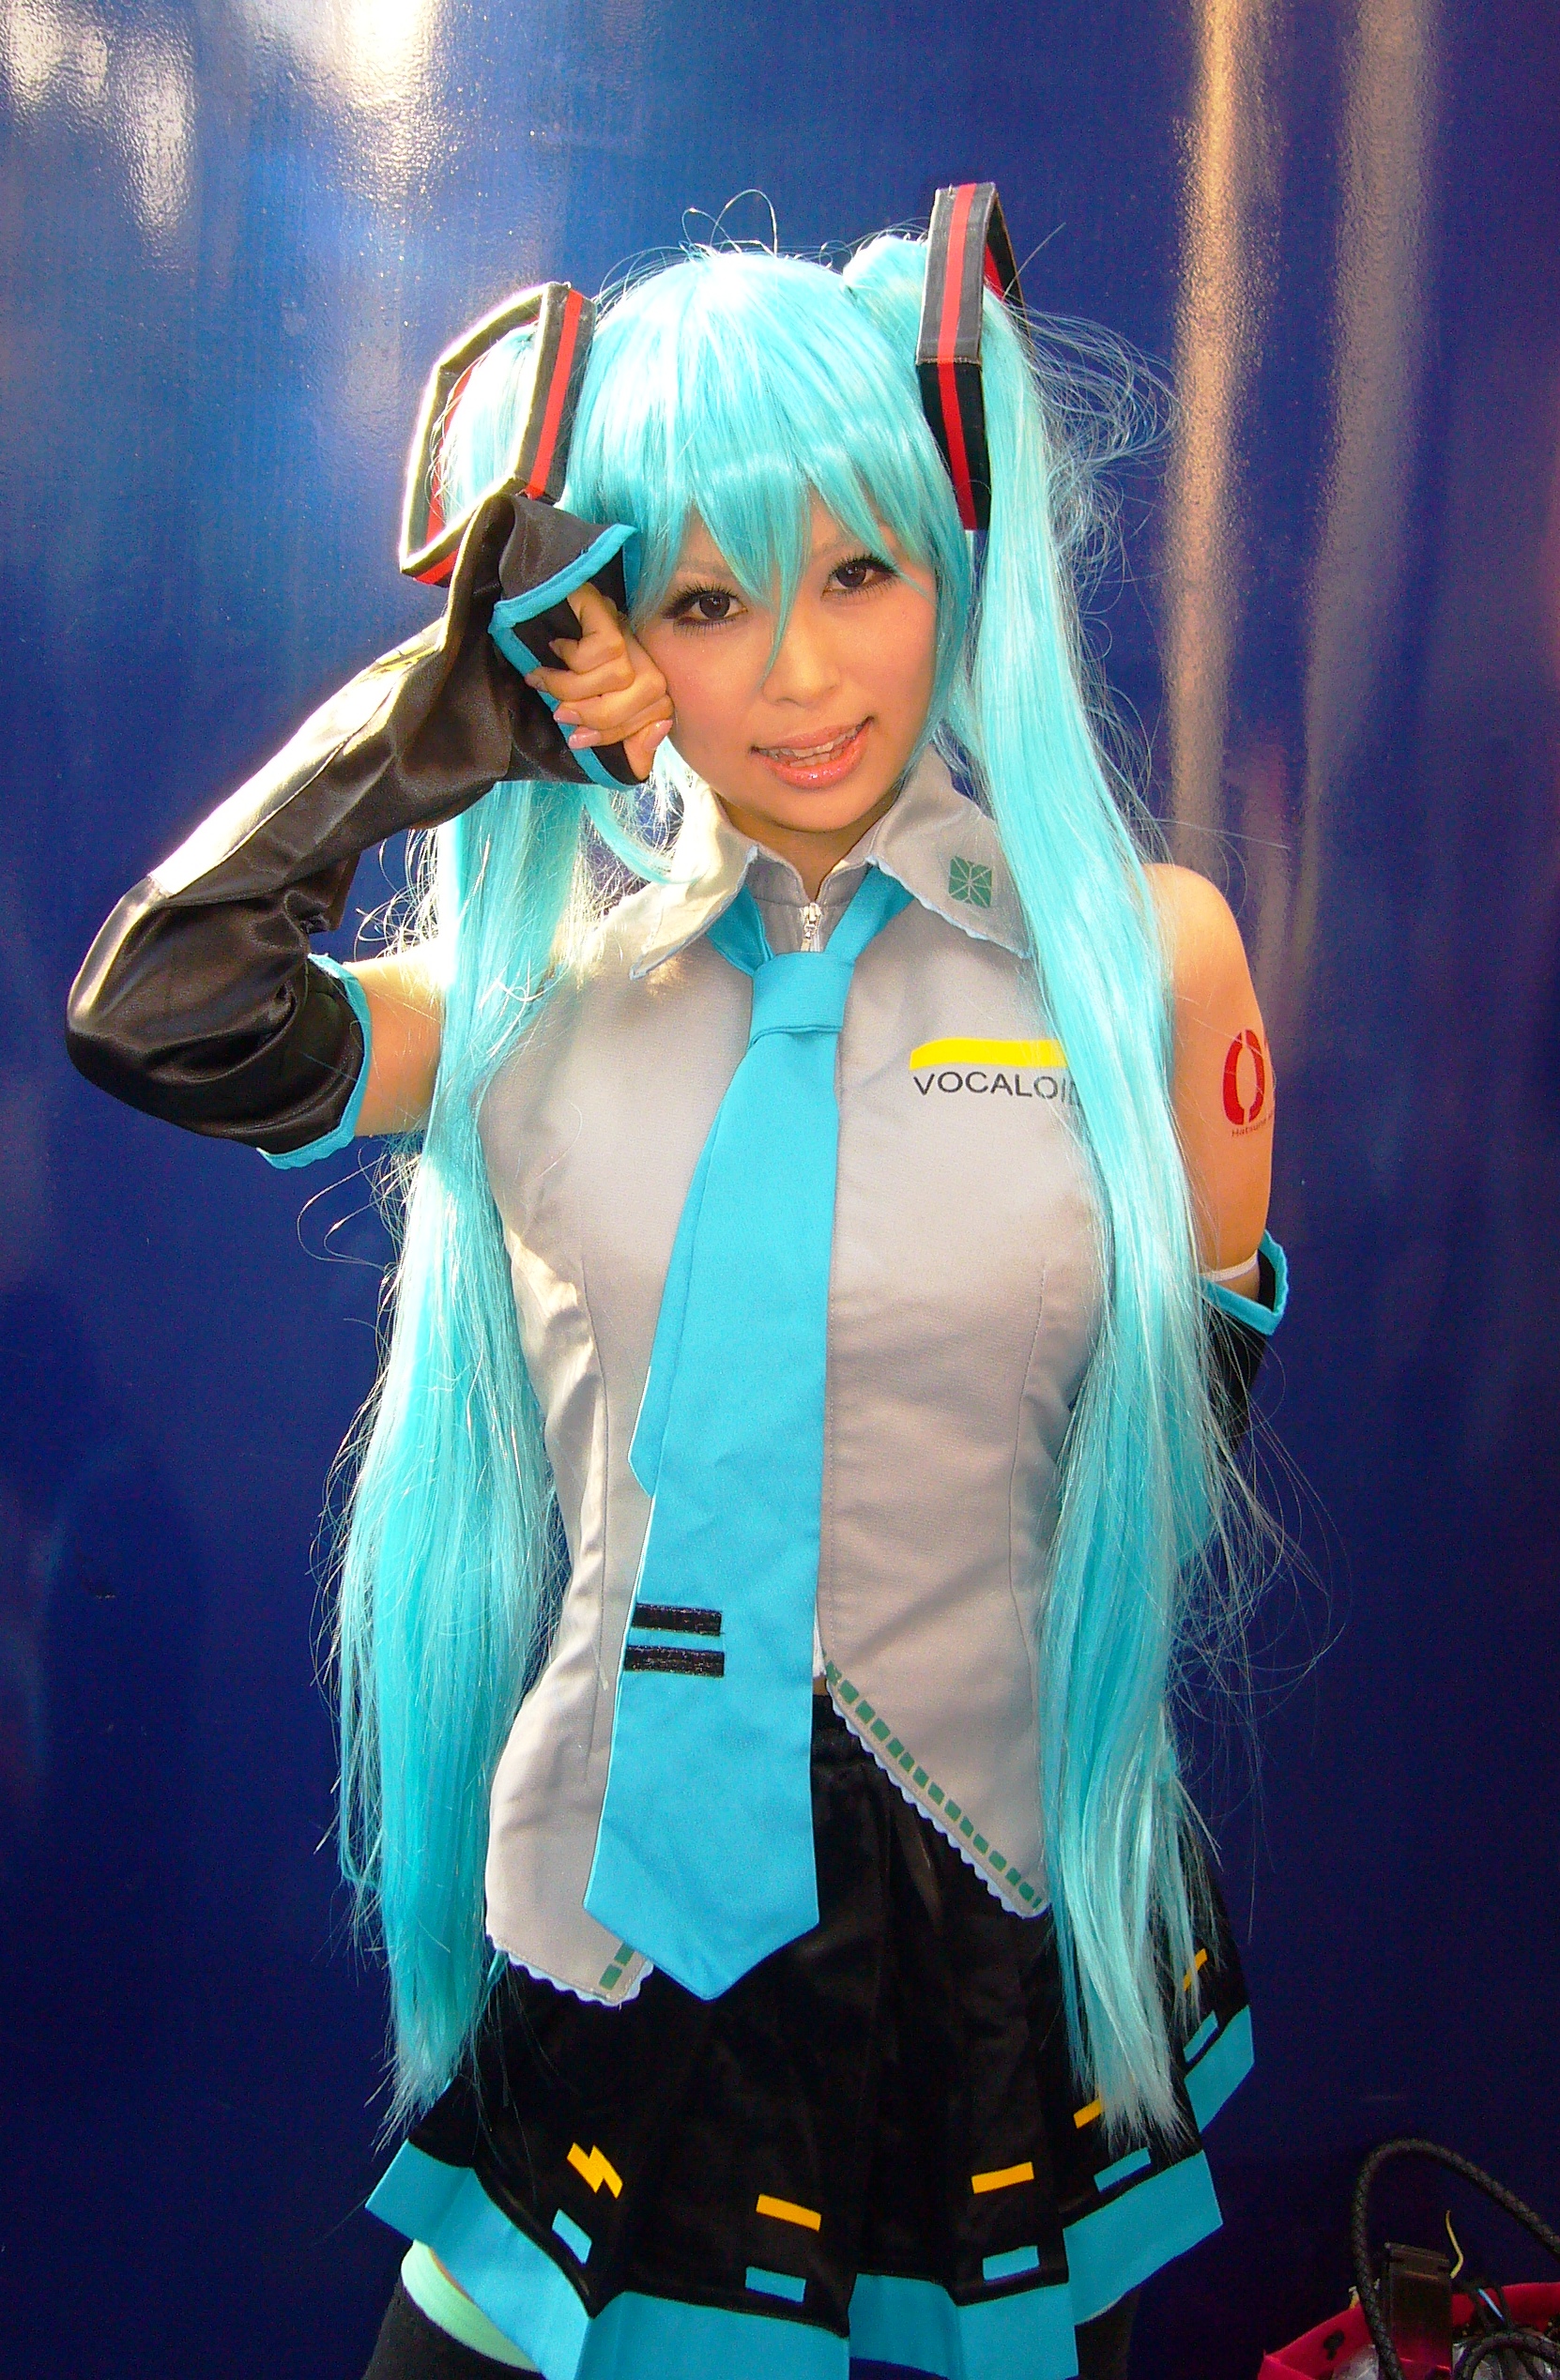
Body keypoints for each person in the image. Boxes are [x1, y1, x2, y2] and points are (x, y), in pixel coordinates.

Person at [66, 197, 1284, 2380]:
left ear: (954, 565)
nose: (800, 674)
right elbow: (159, 1011)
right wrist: (418, 731)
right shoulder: (532, 1002)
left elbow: (1170, 1474)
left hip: (989, 1926)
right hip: (617, 1928)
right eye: (710, 599)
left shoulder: (1144, 971)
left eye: (859, 570)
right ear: (607, 626)